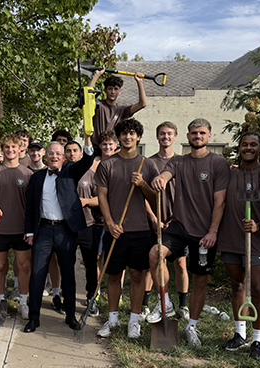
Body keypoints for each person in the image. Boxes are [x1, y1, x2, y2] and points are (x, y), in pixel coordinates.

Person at [147, 118, 230, 346]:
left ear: (209, 136)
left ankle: (191, 326)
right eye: (194, 133)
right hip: (179, 226)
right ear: (188, 136)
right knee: (155, 254)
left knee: (199, 281)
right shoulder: (178, 162)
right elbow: (166, 174)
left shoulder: (218, 163)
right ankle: (165, 301)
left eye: (202, 133)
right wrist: (159, 180)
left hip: (204, 233)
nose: (198, 136)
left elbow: (220, 201)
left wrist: (213, 232)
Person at [94, 118, 159, 339]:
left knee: (137, 275)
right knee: (113, 275)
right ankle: (112, 319)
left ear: (138, 137)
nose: (128, 137)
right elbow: (101, 197)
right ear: (118, 137)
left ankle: (133, 321)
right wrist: (110, 223)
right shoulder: (107, 164)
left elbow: (156, 198)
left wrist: (143, 185)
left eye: (132, 134)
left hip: (140, 230)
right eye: (124, 133)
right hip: (115, 230)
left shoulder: (147, 165)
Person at [216, 131, 260, 360]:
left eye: (253, 145)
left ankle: (257, 340)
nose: (248, 148)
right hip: (231, 239)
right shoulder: (231, 174)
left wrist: (259, 225)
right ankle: (240, 334)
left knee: (257, 289)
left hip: (257, 242)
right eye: (243, 144)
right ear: (238, 148)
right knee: (237, 286)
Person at [23, 141, 94, 332]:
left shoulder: (71, 172)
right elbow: (30, 207)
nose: (54, 156)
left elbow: (86, 161)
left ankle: (70, 315)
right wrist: (29, 232)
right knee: (37, 274)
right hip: (43, 230)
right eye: (51, 153)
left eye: (58, 154)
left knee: (68, 274)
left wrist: (88, 142)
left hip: (65, 231)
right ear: (46, 156)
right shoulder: (37, 178)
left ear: (64, 157)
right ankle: (33, 317)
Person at [0, 134, 34, 316]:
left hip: (21, 229)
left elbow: (33, 204)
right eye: (6, 147)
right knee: (0, 266)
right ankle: (0, 300)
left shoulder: (27, 174)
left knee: (24, 266)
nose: (10, 150)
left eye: (14, 147)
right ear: (2, 150)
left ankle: (24, 302)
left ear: (21, 149)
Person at [144, 122, 189, 323]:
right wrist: (154, 218)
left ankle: (183, 305)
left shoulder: (183, 162)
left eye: (170, 133)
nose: (166, 137)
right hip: (156, 221)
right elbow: (142, 195)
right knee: (153, 260)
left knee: (180, 263)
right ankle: (150, 303)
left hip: (178, 222)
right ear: (157, 136)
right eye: (162, 133)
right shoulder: (149, 162)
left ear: (176, 136)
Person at [77, 131, 120, 316]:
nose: (108, 148)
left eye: (111, 144)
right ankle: (93, 294)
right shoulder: (91, 164)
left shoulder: (118, 166)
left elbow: (107, 198)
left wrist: (87, 201)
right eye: (104, 144)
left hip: (109, 221)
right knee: (92, 259)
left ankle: (112, 293)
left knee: (110, 259)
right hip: (88, 222)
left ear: (116, 146)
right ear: (99, 145)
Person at [87, 70, 147, 150]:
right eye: (110, 89)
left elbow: (142, 104)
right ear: (105, 90)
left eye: (115, 89)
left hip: (113, 149)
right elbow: (87, 95)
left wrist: (139, 82)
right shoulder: (98, 104)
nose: (112, 92)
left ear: (120, 91)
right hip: (96, 148)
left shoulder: (122, 109)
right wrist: (97, 75)